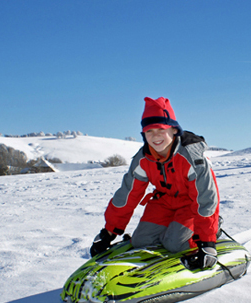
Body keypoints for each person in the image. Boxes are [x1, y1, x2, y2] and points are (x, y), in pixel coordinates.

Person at [89, 97, 220, 270]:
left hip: (191, 204)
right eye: (149, 131)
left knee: (175, 244)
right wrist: (109, 232)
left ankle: (213, 228)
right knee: (140, 242)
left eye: (161, 129)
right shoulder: (143, 158)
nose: (155, 136)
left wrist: (207, 240)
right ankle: (174, 231)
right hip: (164, 202)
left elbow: (205, 199)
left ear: (174, 130)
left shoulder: (191, 157)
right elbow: (128, 195)